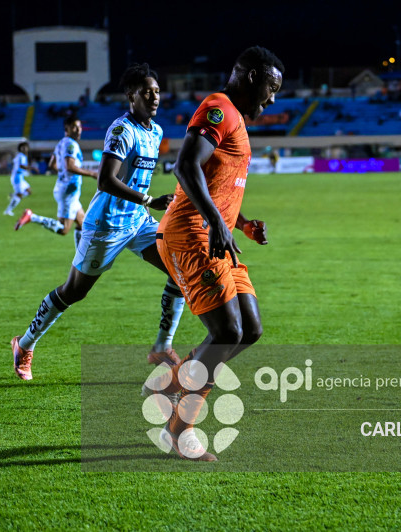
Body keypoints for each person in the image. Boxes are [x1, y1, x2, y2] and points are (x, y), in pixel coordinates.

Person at [10, 63, 186, 381]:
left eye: (158, 91)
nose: (155, 97)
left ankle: (162, 346)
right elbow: (105, 180)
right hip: (105, 225)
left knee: (182, 268)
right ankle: (24, 345)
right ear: (131, 95)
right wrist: (149, 200)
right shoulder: (122, 130)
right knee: (74, 291)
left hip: (138, 221)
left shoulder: (156, 132)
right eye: (147, 91)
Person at [152, 46, 282, 462]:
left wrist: (239, 222)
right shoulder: (219, 108)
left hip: (216, 233)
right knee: (227, 333)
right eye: (270, 87)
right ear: (250, 76)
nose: (273, 98)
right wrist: (219, 223)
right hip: (192, 233)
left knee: (250, 329)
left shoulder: (236, 119)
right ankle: (178, 430)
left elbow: (216, 185)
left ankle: (177, 378)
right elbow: (185, 167)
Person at [14, 116, 97, 248]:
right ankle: (32, 216)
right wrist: (92, 173)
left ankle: (79, 260)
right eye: (75, 127)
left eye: (80, 127)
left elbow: (52, 164)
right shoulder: (71, 144)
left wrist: (64, 172)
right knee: (64, 229)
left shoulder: (61, 143)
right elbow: (70, 166)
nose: (78, 130)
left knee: (83, 223)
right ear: (67, 128)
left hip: (65, 188)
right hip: (69, 191)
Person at [3, 142, 33, 216]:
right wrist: (32, 168)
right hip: (17, 178)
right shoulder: (21, 156)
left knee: (29, 191)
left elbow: (15, 163)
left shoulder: (20, 156)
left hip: (20, 177)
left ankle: (14, 195)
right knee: (19, 195)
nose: (25, 149)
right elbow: (21, 166)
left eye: (26, 147)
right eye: (23, 147)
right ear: (20, 149)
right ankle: (8, 211)